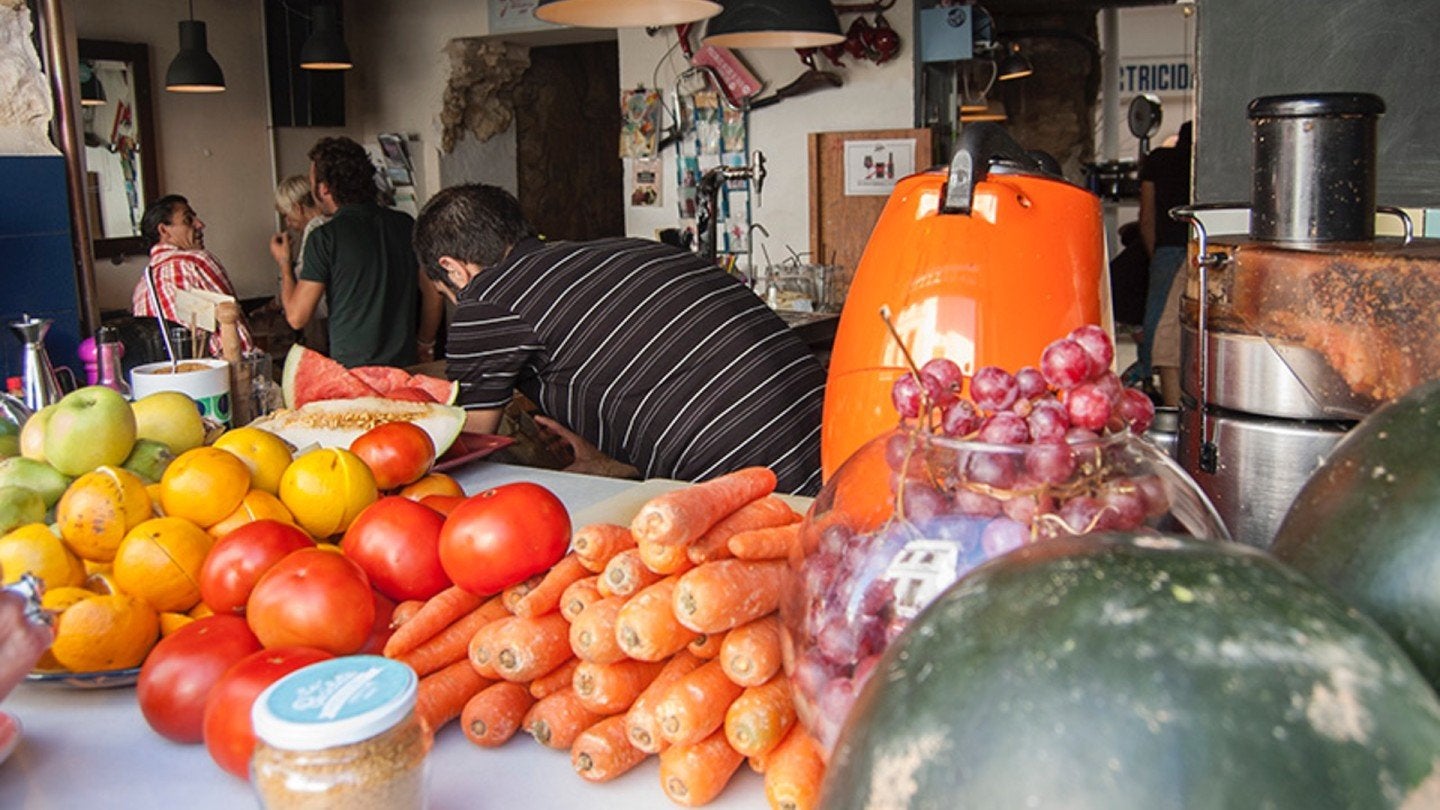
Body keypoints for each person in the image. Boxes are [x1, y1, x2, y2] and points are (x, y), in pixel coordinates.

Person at [412, 183, 825, 495]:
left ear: (453, 269)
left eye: (448, 294)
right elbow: (657, 370)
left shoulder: (487, 298)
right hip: (835, 441)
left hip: (748, 481)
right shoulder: (632, 250)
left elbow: (464, 445)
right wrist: (609, 463)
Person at [279, 137, 442, 368]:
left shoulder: (325, 237)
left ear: (324, 188)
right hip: (404, 367)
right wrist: (425, 343)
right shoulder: (406, 225)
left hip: (353, 373)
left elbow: (297, 317)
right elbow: (434, 294)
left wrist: (284, 263)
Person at [131, 194, 253, 356]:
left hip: (163, 376)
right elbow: (239, 337)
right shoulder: (196, 261)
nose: (200, 224)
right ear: (163, 230)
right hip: (213, 372)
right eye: (188, 220)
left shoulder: (141, 288)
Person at [1134, 121, 1193, 390]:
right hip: (1204, 245)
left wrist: (1153, 252)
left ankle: (1148, 381)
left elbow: (1146, 216)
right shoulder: (1205, 162)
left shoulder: (1159, 160)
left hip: (1169, 247)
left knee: (1158, 322)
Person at [267, 174, 330, 353]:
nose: (288, 223)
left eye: (287, 215)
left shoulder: (316, 230)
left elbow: (298, 303)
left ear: (298, 208)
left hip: (323, 327)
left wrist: (283, 261)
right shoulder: (332, 223)